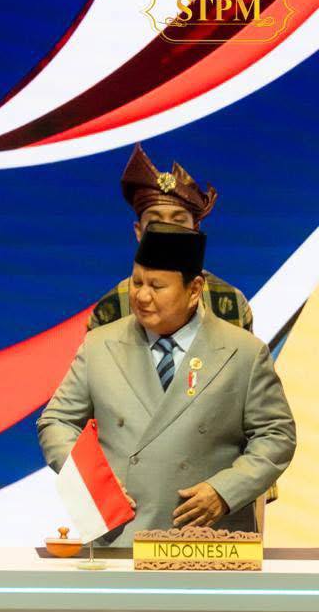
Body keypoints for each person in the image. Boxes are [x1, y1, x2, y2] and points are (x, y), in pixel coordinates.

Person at [38, 223, 295, 546]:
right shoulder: (100, 345)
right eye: (137, 282)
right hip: (121, 535)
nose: (142, 296)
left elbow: (276, 435)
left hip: (207, 540)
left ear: (194, 289)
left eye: (157, 286)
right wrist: (91, 481)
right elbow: (56, 422)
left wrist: (225, 491)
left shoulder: (242, 351)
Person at [88, 143, 252, 332]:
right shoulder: (111, 309)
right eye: (155, 223)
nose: (167, 232)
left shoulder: (231, 303)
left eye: (178, 222)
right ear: (139, 232)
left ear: (195, 229)